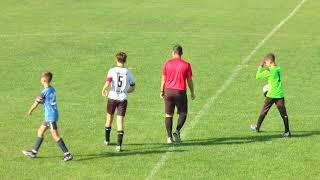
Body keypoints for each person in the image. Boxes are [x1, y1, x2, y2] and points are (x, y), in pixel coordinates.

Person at [22, 71, 73, 161]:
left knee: (55, 135)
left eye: (41, 78)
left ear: (44, 80)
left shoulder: (44, 91)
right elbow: (47, 101)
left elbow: (36, 103)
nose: (40, 79)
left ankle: (67, 154)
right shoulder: (52, 89)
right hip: (50, 115)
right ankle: (34, 152)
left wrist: (30, 110)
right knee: (40, 132)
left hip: (50, 116)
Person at [160, 45, 195, 144]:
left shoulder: (167, 63)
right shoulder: (186, 65)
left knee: (168, 114)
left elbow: (163, 79)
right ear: (181, 53)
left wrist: (161, 91)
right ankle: (177, 130)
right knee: (183, 113)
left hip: (168, 91)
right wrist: (192, 92)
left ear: (173, 52)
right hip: (180, 92)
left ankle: (169, 137)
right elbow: (189, 80)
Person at [101, 52, 136, 152]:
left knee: (109, 118)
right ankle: (119, 146)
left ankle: (107, 140)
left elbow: (108, 82)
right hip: (123, 99)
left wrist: (103, 89)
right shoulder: (128, 72)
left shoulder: (112, 70)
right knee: (120, 122)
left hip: (112, 98)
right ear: (125, 60)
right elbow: (133, 87)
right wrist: (126, 91)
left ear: (116, 60)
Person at [250, 53, 291, 137]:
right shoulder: (279, 68)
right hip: (280, 94)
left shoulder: (270, 71)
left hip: (272, 94)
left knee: (264, 111)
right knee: (284, 114)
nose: (266, 64)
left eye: (266, 63)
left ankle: (257, 127)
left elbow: (257, 76)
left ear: (269, 61)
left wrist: (260, 66)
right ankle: (287, 132)